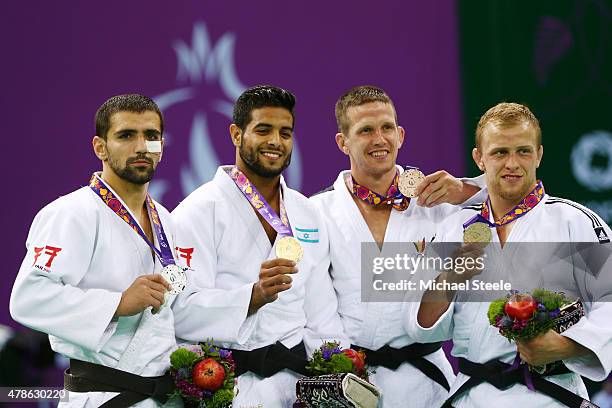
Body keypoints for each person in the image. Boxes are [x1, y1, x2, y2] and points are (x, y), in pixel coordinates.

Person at [410, 102, 612, 407]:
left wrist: (564, 345)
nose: (513, 164)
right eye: (500, 152)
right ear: (479, 159)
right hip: (473, 396)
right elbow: (420, 325)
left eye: (523, 151)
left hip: (552, 396)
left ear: (539, 155)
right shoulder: (453, 228)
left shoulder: (575, 222)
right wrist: (449, 279)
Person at [171, 85, 347, 408]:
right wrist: (252, 297)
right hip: (229, 389)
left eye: (285, 132)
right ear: (236, 134)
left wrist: (337, 376)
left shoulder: (306, 212)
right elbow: (180, 311)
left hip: (296, 390)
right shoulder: (196, 212)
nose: (276, 142)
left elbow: (323, 316)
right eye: (263, 130)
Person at [310, 85, 483, 407]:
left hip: (424, 383)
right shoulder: (317, 212)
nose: (379, 139)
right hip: (349, 382)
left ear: (400, 135)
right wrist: (334, 364)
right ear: (342, 142)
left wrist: (468, 190)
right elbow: (308, 304)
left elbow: (519, 205)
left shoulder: (436, 201)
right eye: (365, 131)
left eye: (387, 127)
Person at [10, 94, 180, 407]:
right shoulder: (70, 213)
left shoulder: (166, 219)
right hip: (101, 395)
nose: (142, 147)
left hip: (161, 397)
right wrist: (117, 303)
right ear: (100, 147)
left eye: (152, 136)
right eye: (126, 135)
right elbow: (28, 298)